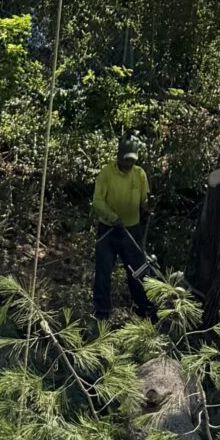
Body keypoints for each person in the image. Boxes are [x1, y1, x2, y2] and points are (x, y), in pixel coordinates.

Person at [92, 137, 156, 323]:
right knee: (103, 271)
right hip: (108, 231)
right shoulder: (106, 173)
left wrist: (148, 206)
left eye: (132, 160)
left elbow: (144, 201)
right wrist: (113, 218)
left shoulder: (139, 174)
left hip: (132, 231)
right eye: (126, 159)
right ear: (119, 156)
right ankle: (101, 312)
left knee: (138, 272)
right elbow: (97, 201)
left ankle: (145, 310)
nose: (129, 163)